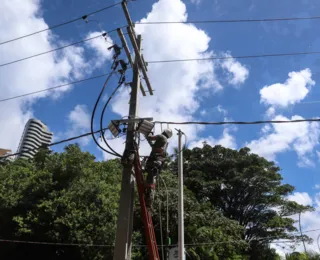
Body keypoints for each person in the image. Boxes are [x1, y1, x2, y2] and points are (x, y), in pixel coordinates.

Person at [145, 128, 173, 208]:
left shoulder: (161, 136)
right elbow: (154, 146)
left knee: (150, 176)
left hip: (155, 160)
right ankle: (149, 199)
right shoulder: (165, 142)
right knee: (152, 178)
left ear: (164, 132)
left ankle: (149, 198)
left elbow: (150, 137)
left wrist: (148, 132)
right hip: (160, 162)